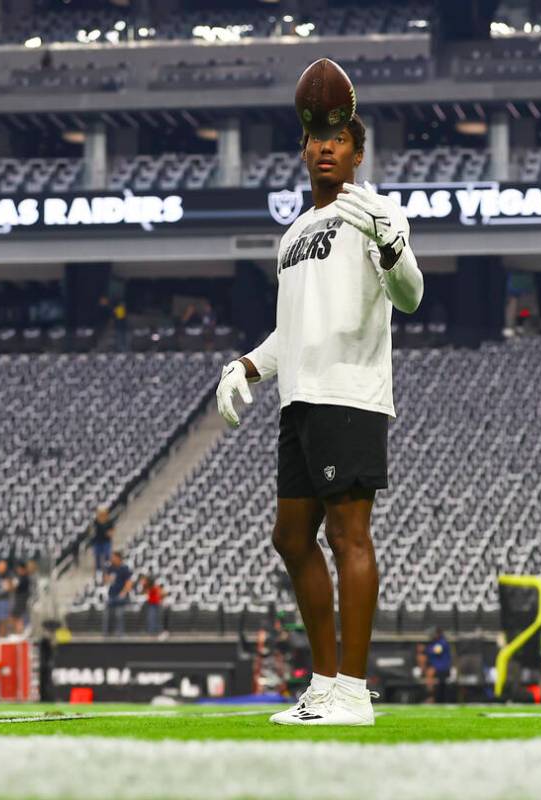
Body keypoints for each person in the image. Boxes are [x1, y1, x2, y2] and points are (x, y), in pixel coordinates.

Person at [215, 113, 423, 725]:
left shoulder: (378, 214)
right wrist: (248, 365)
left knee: (347, 535)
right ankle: (325, 684)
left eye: (340, 142)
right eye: (317, 140)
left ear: (358, 155)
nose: (327, 149)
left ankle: (353, 693)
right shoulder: (294, 233)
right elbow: (292, 328)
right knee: (290, 537)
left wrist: (391, 242)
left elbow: (410, 295)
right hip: (299, 398)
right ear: (303, 150)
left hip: (349, 392)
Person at [102, 551, 134, 637]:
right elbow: (106, 581)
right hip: (111, 595)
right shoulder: (110, 568)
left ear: (118, 558)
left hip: (120, 595)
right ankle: (107, 634)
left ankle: (120, 634)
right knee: (107, 615)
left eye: (113, 557)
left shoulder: (124, 568)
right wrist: (106, 574)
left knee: (119, 615)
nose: (112, 559)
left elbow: (129, 582)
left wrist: (123, 593)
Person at [422, 629, 452, 703]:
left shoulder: (442, 642)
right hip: (438, 667)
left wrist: (425, 649)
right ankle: (432, 698)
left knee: (440, 685)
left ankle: (433, 698)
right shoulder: (435, 643)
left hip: (442, 668)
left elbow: (436, 651)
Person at [89, 505, 116, 583]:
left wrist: (107, 532)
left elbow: (112, 532)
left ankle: (107, 573)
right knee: (97, 557)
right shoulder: (95, 521)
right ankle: (98, 573)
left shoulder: (109, 521)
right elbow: (91, 531)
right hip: (97, 542)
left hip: (106, 542)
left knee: (107, 557)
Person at [12, 561, 33, 635]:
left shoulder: (25, 578)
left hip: (22, 598)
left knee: (18, 616)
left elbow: (16, 587)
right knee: (15, 616)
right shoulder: (20, 577)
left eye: (19, 569)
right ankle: (19, 631)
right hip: (19, 598)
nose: (18, 570)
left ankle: (20, 632)